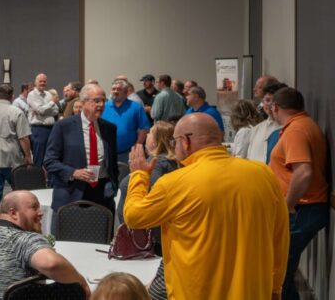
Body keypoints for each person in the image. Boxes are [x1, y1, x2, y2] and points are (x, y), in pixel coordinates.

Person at [124, 114, 288, 299]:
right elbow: (280, 236)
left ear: (186, 141)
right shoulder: (264, 174)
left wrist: (139, 175)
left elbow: (133, 217)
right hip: (255, 292)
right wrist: (275, 287)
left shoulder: (174, 183)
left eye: (174, 141)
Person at [265, 87, 330, 300]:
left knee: (279, 273)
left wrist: (286, 205)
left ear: (275, 107)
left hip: (302, 209)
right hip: (305, 208)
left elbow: (303, 172)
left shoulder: (296, 130)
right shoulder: (302, 125)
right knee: (282, 271)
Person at [0, 191, 90, 299]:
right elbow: (51, 263)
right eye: (34, 207)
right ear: (13, 213)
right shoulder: (25, 239)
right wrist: (80, 281)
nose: (41, 213)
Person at [44, 84, 120, 212]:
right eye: (96, 100)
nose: (101, 105)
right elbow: (50, 161)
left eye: (103, 100)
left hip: (102, 195)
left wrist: (113, 186)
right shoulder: (63, 126)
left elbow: (112, 164)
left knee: (101, 232)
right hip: (72, 193)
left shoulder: (109, 128)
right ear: (83, 102)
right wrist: (73, 173)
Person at [101, 79, 152, 163]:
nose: (115, 91)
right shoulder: (103, 107)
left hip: (127, 154)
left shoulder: (135, 107)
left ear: (126, 92)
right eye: (113, 89)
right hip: (106, 153)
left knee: (125, 176)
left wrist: (138, 145)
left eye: (119, 89)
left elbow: (145, 128)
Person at [243, 80, 286, 163]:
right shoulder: (256, 129)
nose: (269, 105)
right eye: (266, 100)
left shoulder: (288, 128)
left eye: (272, 101)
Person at [25, 74, 59, 168]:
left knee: (50, 156)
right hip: (39, 130)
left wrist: (43, 110)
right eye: (40, 81)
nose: (43, 83)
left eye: (44, 81)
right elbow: (41, 110)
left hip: (51, 129)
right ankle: (37, 181)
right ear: (35, 82)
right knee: (39, 158)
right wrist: (51, 103)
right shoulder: (32, 95)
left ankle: (48, 181)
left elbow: (56, 111)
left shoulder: (48, 94)